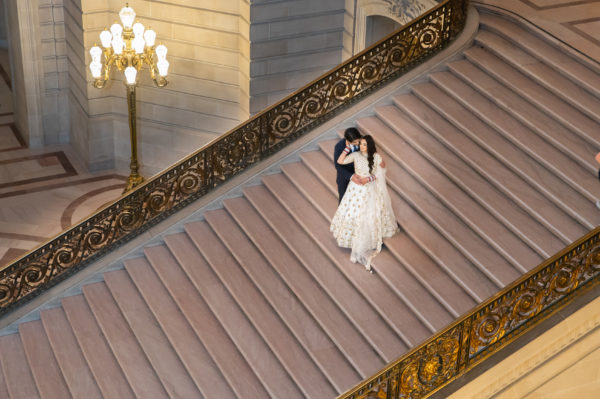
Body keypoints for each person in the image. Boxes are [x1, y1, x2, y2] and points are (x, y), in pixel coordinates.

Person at [330, 135, 399, 273]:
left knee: (370, 211)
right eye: (360, 144)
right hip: (356, 189)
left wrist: (370, 178)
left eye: (364, 144)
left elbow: (382, 171)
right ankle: (352, 235)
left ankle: (370, 235)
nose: (362, 146)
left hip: (370, 187)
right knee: (353, 211)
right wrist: (348, 148)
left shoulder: (377, 157)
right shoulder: (355, 155)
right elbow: (340, 161)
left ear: (370, 146)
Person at [334, 127, 370, 203]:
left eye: (358, 141)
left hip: (361, 172)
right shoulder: (339, 147)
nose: (357, 144)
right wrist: (351, 176)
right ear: (347, 140)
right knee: (344, 198)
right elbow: (338, 166)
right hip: (345, 174)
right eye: (354, 142)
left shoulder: (365, 141)